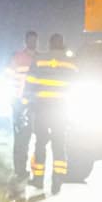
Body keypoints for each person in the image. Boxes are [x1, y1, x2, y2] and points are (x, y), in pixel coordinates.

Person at [22, 33, 78, 189]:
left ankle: (38, 179)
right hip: (61, 109)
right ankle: (57, 179)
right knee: (59, 143)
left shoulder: (39, 60)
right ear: (62, 44)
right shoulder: (71, 63)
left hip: (42, 108)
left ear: (49, 44)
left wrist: (26, 103)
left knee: (40, 142)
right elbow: (76, 85)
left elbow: (30, 83)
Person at [8, 30, 39, 178]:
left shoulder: (40, 58)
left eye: (34, 40)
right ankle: (20, 170)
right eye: (30, 40)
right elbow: (8, 78)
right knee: (21, 138)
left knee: (40, 138)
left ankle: (36, 169)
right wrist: (14, 100)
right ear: (26, 41)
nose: (33, 43)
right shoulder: (17, 58)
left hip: (36, 103)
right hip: (19, 103)